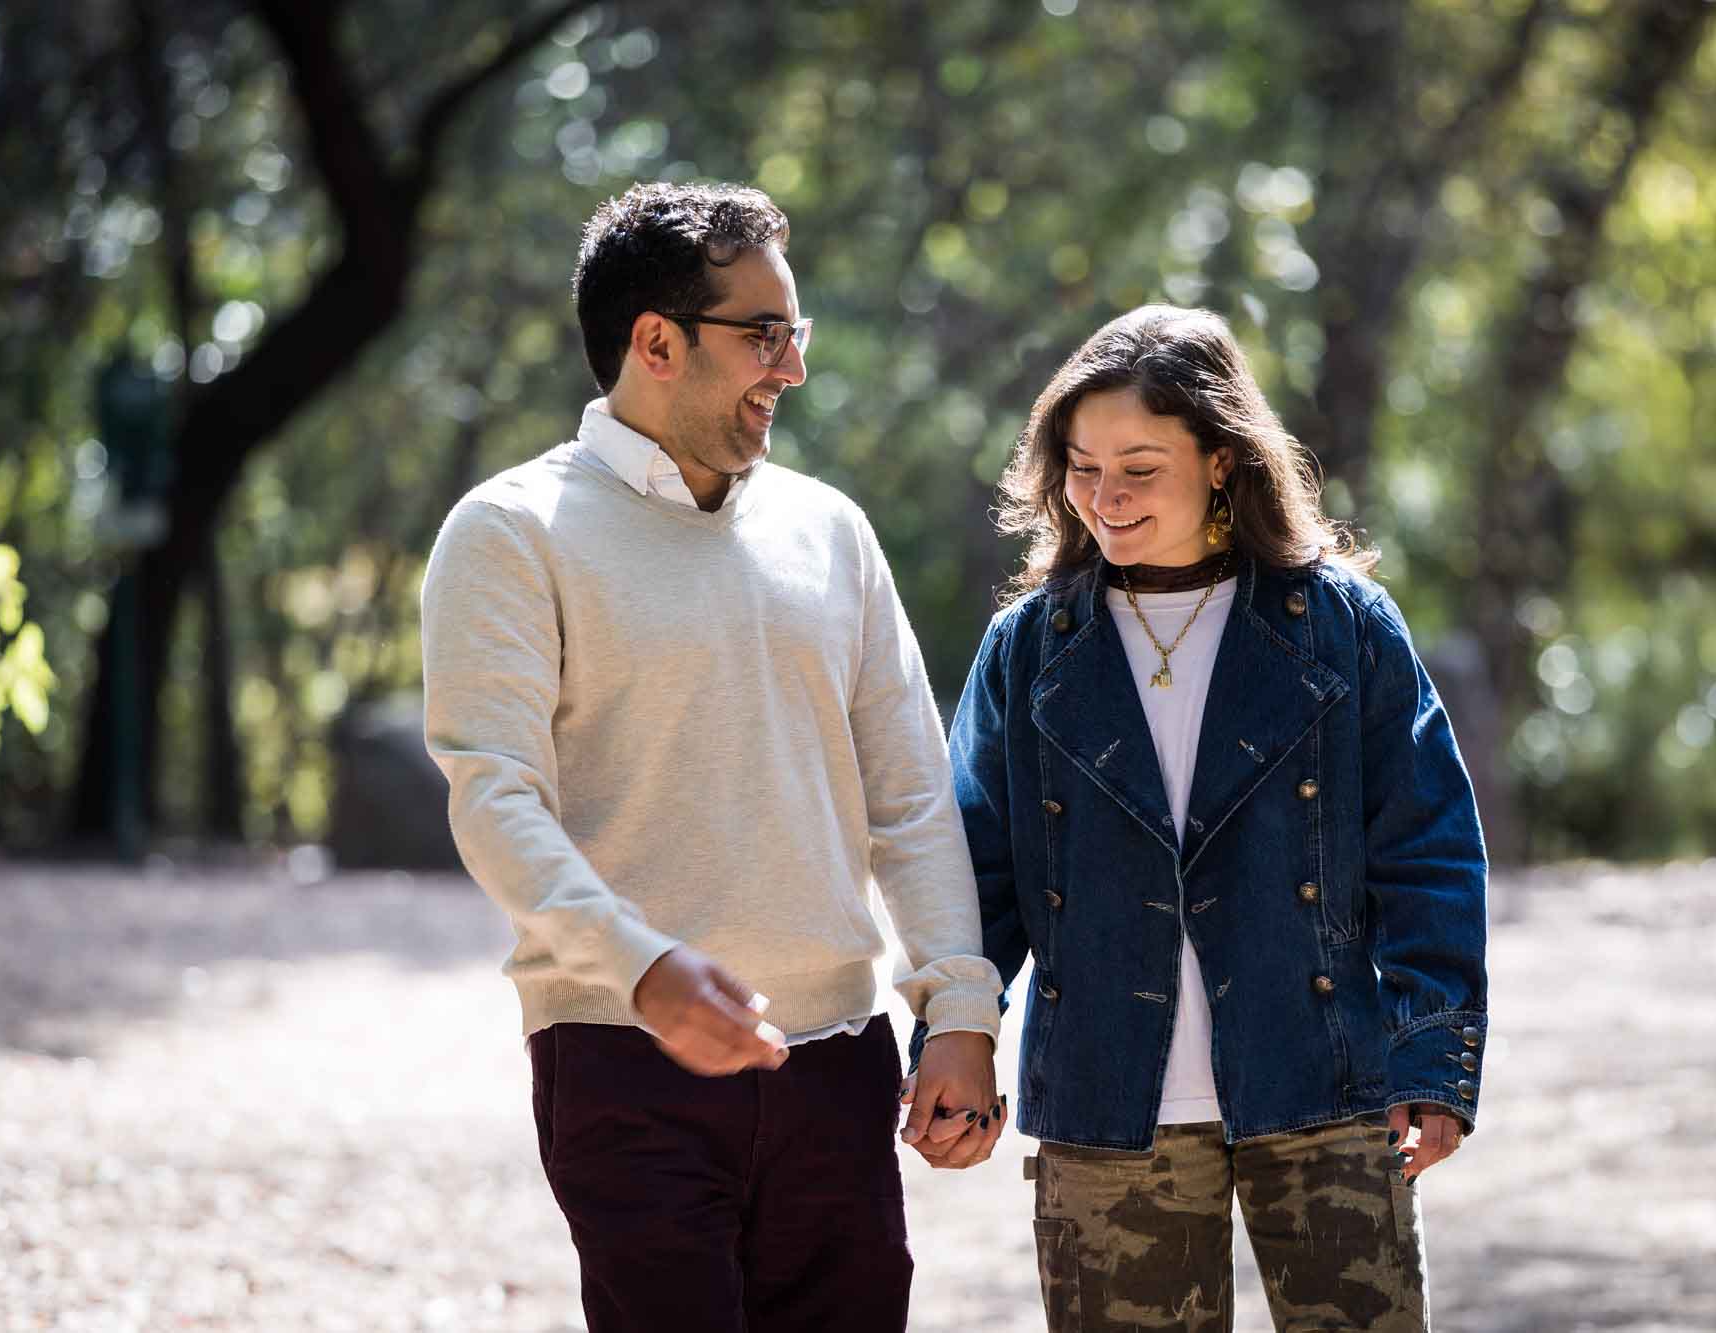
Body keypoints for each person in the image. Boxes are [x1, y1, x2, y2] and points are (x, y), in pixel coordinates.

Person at [419, 181, 1004, 1333]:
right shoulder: (508, 532)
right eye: (762, 334)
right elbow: (494, 798)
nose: (790, 367)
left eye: (797, 332)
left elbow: (911, 794)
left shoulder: (829, 528)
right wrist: (641, 966)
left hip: (838, 1066)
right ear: (656, 343)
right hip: (619, 1060)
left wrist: (961, 1011)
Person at [941, 305, 1489, 1331]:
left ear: (1223, 459)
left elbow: (1426, 847)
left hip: (1322, 1084)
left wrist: (1433, 1057)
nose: (1103, 497)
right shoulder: (1027, 650)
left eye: (1138, 467)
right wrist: (955, 1031)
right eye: (1080, 465)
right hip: (1105, 1107)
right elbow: (972, 870)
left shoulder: (1341, 625)